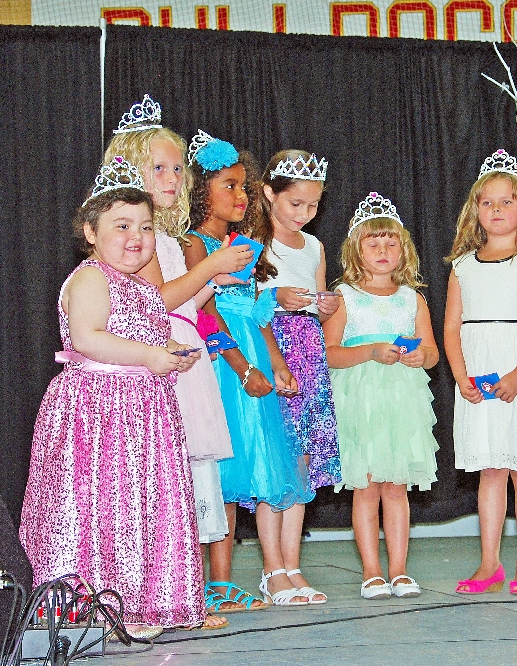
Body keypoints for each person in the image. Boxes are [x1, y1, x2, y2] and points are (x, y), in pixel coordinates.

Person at [19, 158, 205, 637]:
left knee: (136, 506)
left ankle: (137, 602)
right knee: (98, 505)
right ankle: (86, 606)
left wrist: (168, 355)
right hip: (98, 407)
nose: (135, 237)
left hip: (141, 410)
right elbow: (86, 337)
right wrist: (150, 354)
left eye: (144, 227)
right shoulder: (91, 277)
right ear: (90, 231)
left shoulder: (142, 287)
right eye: (121, 225)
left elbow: (141, 335)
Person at [103, 97, 253, 621]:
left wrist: (212, 282)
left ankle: (181, 595)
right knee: (162, 482)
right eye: (158, 168)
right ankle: (156, 597)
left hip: (185, 362)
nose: (171, 178)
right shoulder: (134, 240)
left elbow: (185, 302)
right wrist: (209, 264)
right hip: (156, 366)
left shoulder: (163, 236)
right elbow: (155, 301)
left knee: (184, 487)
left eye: (176, 168)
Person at [184, 131, 315, 608]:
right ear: (202, 192)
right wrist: (240, 369)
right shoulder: (193, 245)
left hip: (254, 357)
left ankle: (225, 580)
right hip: (221, 363)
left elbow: (256, 311)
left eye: (244, 187)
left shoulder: (243, 245)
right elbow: (207, 313)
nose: (240, 196)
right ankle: (199, 582)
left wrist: (276, 363)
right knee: (218, 470)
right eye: (229, 186)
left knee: (249, 465)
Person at [444, 150, 517, 595]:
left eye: (507, 201)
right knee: (490, 468)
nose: (496, 210)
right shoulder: (462, 266)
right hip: (475, 370)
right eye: (487, 202)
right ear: (475, 210)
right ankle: (489, 562)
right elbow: (451, 326)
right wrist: (459, 374)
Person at [324, 192, 440, 600]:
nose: (383, 249)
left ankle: (399, 569)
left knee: (396, 486)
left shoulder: (413, 297)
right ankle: (371, 570)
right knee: (367, 485)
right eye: (373, 242)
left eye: (391, 242)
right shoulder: (344, 296)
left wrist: (420, 355)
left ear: (403, 248)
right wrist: (371, 352)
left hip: (401, 401)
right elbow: (330, 354)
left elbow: (432, 353)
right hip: (361, 400)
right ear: (356, 249)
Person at [254, 149, 344, 603]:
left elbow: (320, 301)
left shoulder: (314, 246)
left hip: (308, 349)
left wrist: (324, 305)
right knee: (277, 455)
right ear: (269, 193)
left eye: (312, 206)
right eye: (295, 205)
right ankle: (271, 568)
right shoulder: (253, 244)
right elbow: (241, 308)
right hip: (274, 349)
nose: (304, 215)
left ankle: (293, 564)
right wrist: (274, 297)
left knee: (303, 458)